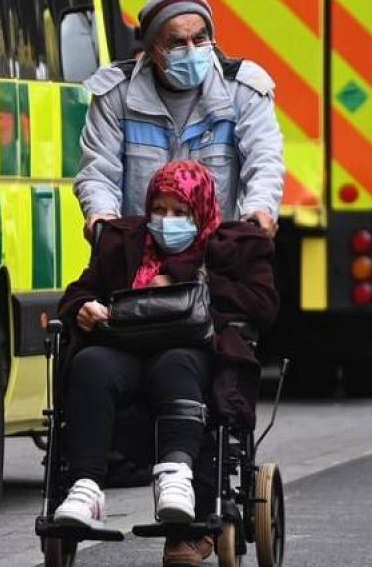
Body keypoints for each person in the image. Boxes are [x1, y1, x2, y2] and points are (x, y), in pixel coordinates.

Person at [51, 161, 277, 565]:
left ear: (202, 212)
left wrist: (186, 277)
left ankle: (176, 478)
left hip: (192, 354)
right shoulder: (123, 242)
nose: (167, 220)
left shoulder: (231, 249)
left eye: (180, 212)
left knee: (175, 365)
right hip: (126, 350)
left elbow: (262, 306)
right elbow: (77, 293)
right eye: (160, 209)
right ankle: (85, 488)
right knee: (90, 365)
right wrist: (84, 308)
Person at [75, 0, 284, 240]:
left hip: (217, 252)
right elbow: (99, 171)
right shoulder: (116, 94)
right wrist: (101, 215)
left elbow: (264, 161)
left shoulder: (243, 90)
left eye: (200, 39)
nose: (191, 50)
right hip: (138, 252)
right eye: (177, 43)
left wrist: (259, 209)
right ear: (152, 49)